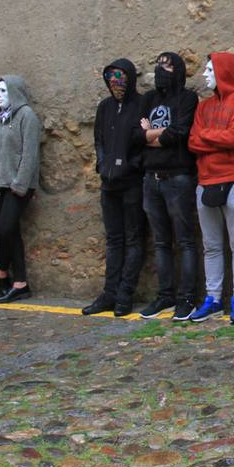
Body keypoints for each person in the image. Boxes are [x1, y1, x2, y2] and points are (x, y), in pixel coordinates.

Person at [187, 53, 234, 324]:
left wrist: (208, 136)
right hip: (205, 181)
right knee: (211, 245)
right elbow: (193, 142)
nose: (204, 74)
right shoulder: (203, 107)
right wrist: (219, 139)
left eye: (209, 69)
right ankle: (213, 298)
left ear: (223, 71)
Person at [137, 52, 201, 321]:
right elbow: (135, 135)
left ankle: (187, 298)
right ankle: (165, 295)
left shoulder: (187, 99)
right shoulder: (148, 99)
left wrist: (149, 133)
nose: (162, 70)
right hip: (151, 178)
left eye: (168, 65)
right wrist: (153, 136)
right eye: (159, 65)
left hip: (178, 178)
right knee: (161, 241)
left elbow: (179, 133)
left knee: (185, 240)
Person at [83, 59, 147, 317]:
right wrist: (101, 164)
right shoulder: (105, 107)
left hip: (132, 183)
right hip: (109, 183)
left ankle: (125, 293)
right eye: (111, 79)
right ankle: (109, 292)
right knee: (113, 240)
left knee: (134, 238)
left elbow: (144, 140)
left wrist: (132, 165)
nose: (116, 84)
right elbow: (99, 138)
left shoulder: (141, 104)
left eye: (120, 79)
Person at [0, 76, 42, 304]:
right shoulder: (2, 119)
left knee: (4, 230)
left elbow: (30, 155)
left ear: (15, 92)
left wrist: (20, 184)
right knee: (11, 232)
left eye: (2, 91)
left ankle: (3, 272)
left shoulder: (27, 117)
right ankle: (20, 283)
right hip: (1, 185)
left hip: (17, 187)